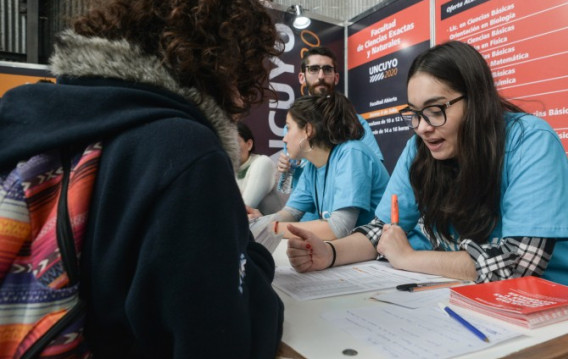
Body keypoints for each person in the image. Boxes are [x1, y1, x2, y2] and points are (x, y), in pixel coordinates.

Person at [0, 0, 284, 357]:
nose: (242, 103)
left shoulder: (32, 119)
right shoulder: (183, 150)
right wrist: (254, 257)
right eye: (243, 78)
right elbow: (232, 340)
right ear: (220, 62)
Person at [286, 41, 568, 297]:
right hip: (479, 295)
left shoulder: (530, 140)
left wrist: (410, 258)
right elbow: (382, 231)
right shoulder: (420, 149)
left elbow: (519, 262)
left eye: (435, 110)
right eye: (414, 113)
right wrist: (328, 253)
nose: (423, 127)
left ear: (476, 100)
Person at [253, 92, 389, 241]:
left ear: (308, 130)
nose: (284, 139)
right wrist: (257, 223)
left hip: (383, 253)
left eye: (288, 127)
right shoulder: (312, 166)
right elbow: (291, 213)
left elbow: (338, 228)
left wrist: (270, 228)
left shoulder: (351, 153)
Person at [275, 46, 384, 201]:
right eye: (313, 69)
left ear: (336, 77)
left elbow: (374, 168)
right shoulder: (290, 127)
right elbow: (288, 186)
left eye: (327, 69)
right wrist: (289, 168)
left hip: (344, 209)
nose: (321, 76)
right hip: (305, 212)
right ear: (301, 77)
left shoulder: (354, 122)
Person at [236, 121, 284, 215]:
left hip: (274, 228)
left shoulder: (262, 163)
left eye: (234, 142)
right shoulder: (228, 170)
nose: (229, 147)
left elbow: (243, 209)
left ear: (249, 144)